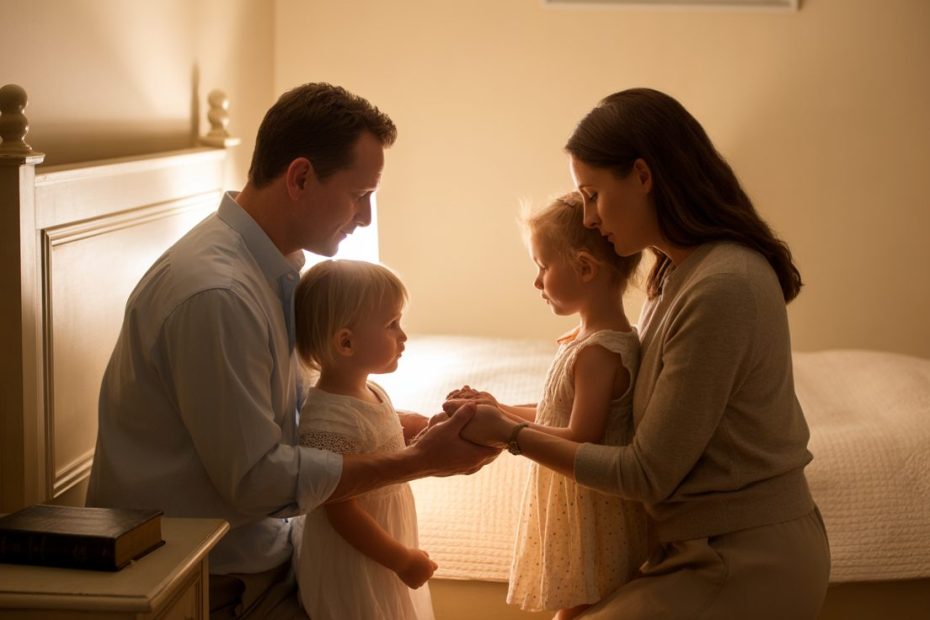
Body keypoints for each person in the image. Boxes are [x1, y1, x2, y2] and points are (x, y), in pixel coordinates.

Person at [86, 82, 496, 620]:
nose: (366, 218)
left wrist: (397, 425)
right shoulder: (218, 296)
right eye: (359, 195)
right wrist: (415, 462)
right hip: (210, 584)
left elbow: (287, 412)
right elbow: (258, 482)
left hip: (263, 560)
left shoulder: (271, 271)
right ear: (300, 178)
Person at [451, 87, 831, 620]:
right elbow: (613, 420)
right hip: (691, 547)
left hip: (743, 558)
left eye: (592, 194)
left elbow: (645, 473)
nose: (587, 218)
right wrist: (502, 412)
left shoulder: (724, 285)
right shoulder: (672, 276)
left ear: (643, 176)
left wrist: (511, 436)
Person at [448, 192, 647, 620]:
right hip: (573, 497)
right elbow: (557, 412)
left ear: (585, 268)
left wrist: (502, 427)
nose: (537, 282)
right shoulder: (586, 339)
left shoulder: (599, 352)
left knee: (578, 609)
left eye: (543, 266)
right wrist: (499, 406)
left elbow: (581, 437)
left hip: (590, 508)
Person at [292, 259, 435, 620]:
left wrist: (408, 426)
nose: (402, 335)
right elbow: (341, 510)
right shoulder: (326, 419)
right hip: (356, 558)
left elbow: (372, 431)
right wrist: (402, 560)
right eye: (391, 325)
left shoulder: (369, 388)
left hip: (384, 532)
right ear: (346, 342)